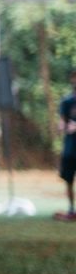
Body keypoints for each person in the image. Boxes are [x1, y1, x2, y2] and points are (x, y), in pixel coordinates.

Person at [56, 70, 76, 221]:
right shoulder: (67, 101)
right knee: (68, 180)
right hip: (70, 148)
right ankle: (71, 209)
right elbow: (62, 120)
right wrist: (61, 126)